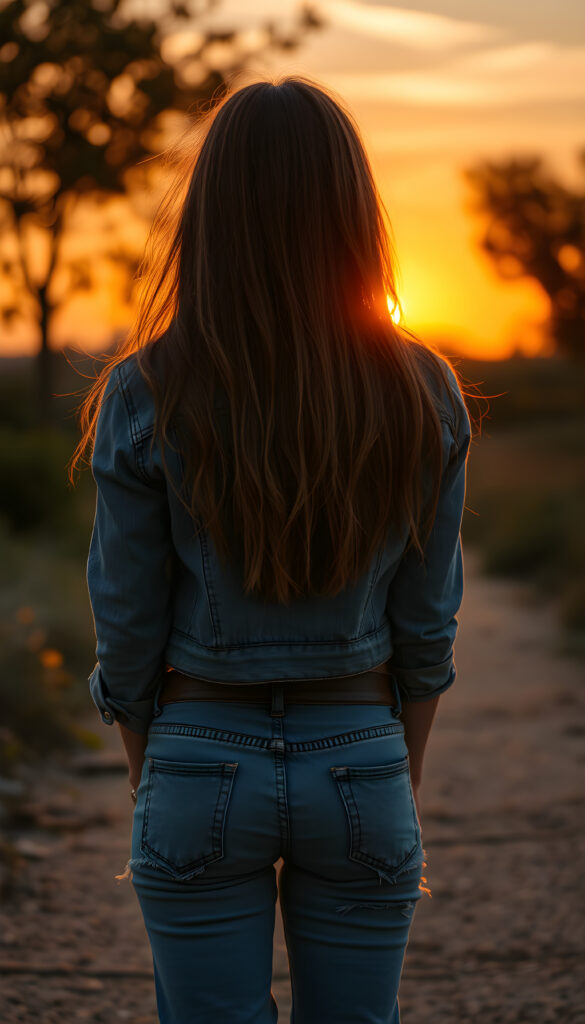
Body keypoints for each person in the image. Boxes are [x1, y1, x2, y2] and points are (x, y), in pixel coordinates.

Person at [71, 74, 471, 1024]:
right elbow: (426, 628)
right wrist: (391, 772)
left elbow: (125, 627)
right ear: (351, 212)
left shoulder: (143, 390)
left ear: (210, 214)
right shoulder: (422, 390)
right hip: (362, 756)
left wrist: (151, 765)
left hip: (198, 752)